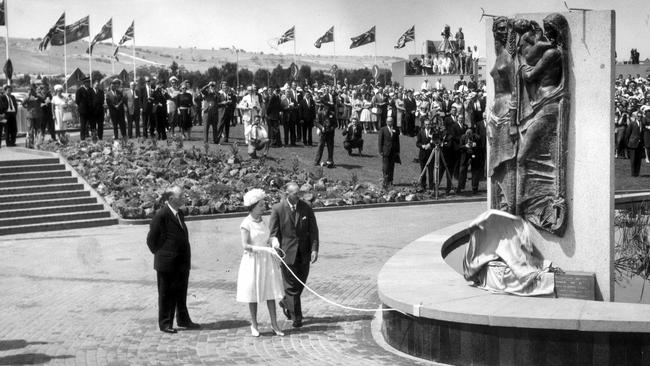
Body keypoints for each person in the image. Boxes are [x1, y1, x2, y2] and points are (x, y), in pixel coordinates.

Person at [146, 185, 200, 333]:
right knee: (166, 294)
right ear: (171, 199)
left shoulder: (179, 213)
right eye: (181, 196)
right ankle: (165, 324)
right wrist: (163, 254)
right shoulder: (161, 215)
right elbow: (151, 240)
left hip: (181, 262)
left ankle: (183, 319)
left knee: (181, 293)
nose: (184, 198)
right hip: (167, 263)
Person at [269, 182, 320, 329]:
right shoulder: (278, 209)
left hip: (304, 254)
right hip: (287, 254)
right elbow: (273, 233)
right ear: (287, 193)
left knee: (300, 284)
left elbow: (313, 230)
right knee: (291, 287)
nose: (298, 196)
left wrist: (314, 249)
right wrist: (276, 250)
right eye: (295, 193)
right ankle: (296, 317)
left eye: (299, 193)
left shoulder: (306, 207)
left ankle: (286, 302)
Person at [237, 189, 285, 337]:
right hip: (253, 262)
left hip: (266, 261)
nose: (263, 207)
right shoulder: (246, 223)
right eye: (261, 205)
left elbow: (266, 238)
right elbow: (245, 245)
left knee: (270, 292)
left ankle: (275, 324)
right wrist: (263, 249)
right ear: (253, 207)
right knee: (253, 294)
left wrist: (273, 241)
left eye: (264, 204)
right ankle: (254, 324)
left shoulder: (262, 221)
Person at [416, 119, 439, 190]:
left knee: (431, 171)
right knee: (423, 170)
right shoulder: (420, 132)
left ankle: (431, 186)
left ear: (431, 124)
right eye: (426, 124)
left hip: (431, 154)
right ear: (424, 125)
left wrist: (430, 144)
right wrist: (422, 146)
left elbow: (436, 141)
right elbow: (417, 143)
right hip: (423, 154)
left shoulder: (434, 132)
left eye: (429, 124)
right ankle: (423, 186)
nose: (427, 125)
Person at [378, 116, 401, 188]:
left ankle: (391, 181)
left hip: (393, 151)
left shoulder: (395, 129)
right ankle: (385, 181)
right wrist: (380, 150)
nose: (390, 123)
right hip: (386, 151)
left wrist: (398, 150)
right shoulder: (383, 129)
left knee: (392, 167)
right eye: (389, 121)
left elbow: (397, 141)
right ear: (386, 122)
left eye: (391, 121)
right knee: (385, 167)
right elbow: (380, 141)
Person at [314, 101, 336, 168]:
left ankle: (330, 160)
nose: (326, 109)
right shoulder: (320, 113)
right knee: (320, 146)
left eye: (328, 108)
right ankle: (317, 161)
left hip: (330, 134)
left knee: (330, 147)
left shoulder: (332, 114)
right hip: (323, 133)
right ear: (323, 107)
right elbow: (316, 123)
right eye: (325, 107)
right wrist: (321, 127)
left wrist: (331, 128)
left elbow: (335, 124)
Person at [24, 82, 45, 148]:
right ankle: (31, 143)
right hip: (30, 116)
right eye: (30, 89)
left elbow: (43, 99)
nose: (31, 90)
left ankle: (37, 143)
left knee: (38, 129)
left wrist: (37, 95)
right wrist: (27, 107)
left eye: (32, 89)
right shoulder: (28, 97)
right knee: (30, 129)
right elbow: (23, 103)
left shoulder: (38, 95)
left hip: (38, 115)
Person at [626, 110, 644, 177]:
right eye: (638, 116)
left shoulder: (642, 124)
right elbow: (627, 134)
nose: (640, 117)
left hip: (640, 144)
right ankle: (633, 173)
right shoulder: (632, 123)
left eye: (641, 116)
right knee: (633, 159)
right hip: (632, 143)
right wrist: (628, 143)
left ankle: (637, 173)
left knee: (638, 160)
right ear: (636, 117)